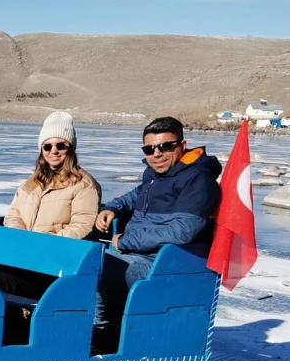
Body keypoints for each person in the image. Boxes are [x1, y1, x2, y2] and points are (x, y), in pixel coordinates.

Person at [92, 116, 221, 348]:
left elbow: (182, 231)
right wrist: (113, 207)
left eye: (165, 146)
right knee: (79, 259)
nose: (157, 154)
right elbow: (137, 195)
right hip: (136, 253)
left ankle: (102, 335)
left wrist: (127, 241)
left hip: (162, 264)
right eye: (150, 149)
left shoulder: (197, 180)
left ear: (182, 145)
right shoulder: (156, 175)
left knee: (94, 267)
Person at [0, 111, 101, 300]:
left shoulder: (84, 184)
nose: (53, 151)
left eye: (60, 145)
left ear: (71, 148)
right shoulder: (32, 183)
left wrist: (45, 243)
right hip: (23, 256)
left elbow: (82, 225)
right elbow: (13, 213)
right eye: (47, 146)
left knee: (0, 280)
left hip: (55, 266)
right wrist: (22, 237)